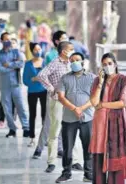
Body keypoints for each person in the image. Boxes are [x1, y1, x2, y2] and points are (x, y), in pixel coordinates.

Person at [37, 41, 82, 173]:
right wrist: (52, 89)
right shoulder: (56, 63)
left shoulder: (72, 63)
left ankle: (76, 161)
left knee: (73, 130)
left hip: (71, 101)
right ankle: (51, 162)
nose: (73, 51)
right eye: (71, 49)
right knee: (55, 131)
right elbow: (41, 75)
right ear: (63, 51)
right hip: (57, 101)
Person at [89, 52, 126, 184]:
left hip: (116, 124)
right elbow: (93, 102)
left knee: (115, 156)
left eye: (109, 63)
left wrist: (103, 105)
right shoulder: (97, 81)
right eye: (104, 64)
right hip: (100, 125)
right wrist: (101, 83)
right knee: (99, 156)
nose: (107, 66)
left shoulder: (124, 80)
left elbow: (122, 103)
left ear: (115, 64)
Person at [55, 52, 95, 183]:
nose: (74, 62)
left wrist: (81, 109)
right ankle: (66, 173)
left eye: (77, 60)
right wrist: (74, 109)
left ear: (83, 61)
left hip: (87, 118)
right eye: (72, 60)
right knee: (67, 148)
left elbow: (95, 98)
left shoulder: (92, 78)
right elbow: (61, 97)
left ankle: (88, 174)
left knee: (88, 147)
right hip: (68, 119)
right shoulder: (64, 78)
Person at [31, 30, 69, 160]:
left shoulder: (69, 60)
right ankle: (39, 148)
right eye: (64, 38)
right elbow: (43, 74)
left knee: (62, 123)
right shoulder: (52, 57)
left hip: (66, 97)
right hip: (54, 96)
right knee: (49, 122)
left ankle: (60, 149)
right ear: (58, 42)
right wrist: (51, 88)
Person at [0, 32, 29, 138]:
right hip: (4, 86)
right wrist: (13, 66)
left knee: (20, 107)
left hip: (16, 84)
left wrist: (9, 64)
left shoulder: (16, 52)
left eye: (9, 39)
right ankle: (12, 129)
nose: (8, 41)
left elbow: (21, 63)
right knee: (7, 108)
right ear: (1, 41)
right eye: (5, 39)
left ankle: (26, 128)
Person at [23, 42, 47, 147]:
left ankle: (44, 138)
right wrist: (32, 79)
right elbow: (24, 80)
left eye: (39, 49)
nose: (38, 51)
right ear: (32, 51)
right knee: (32, 114)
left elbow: (50, 76)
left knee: (44, 115)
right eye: (36, 50)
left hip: (44, 91)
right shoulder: (28, 64)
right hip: (32, 91)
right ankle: (32, 138)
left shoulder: (46, 62)